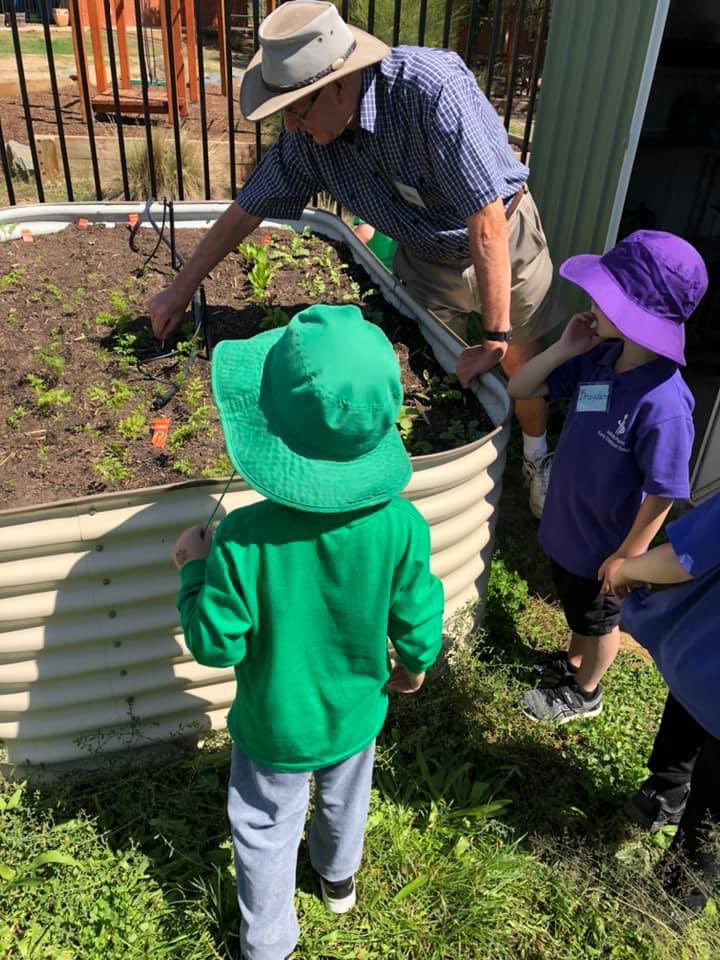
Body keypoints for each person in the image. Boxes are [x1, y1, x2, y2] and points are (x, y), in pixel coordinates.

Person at [148, 0, 559, 517]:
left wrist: (496, 336)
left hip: (503, 240)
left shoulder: (429, 91)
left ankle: (536, 452)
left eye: (296, 110)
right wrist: (181, 288)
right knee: (427, 358)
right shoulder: (310, 143)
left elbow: (487, 220)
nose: (291, 127)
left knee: (520, 358)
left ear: (340, 84)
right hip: (425, 253)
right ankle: (406, 479)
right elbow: (245, 211)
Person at [171, 303, 444, 960]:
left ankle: (265, 943)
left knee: (265, 825)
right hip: (357, 709)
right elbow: (418, 611)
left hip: (274, 726)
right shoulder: (402, 526)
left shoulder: (241, 540)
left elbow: (215, 644)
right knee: (348, 797)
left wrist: (192, 570)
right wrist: (413, 664)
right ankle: (337, 879)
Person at [507, 230, 706, 724]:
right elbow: (521, 386)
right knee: (578, 608)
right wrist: (564, 350)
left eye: (607, 294)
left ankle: (587, 692)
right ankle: (575, 664)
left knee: (599, 621)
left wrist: (630, 555)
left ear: (639, 315)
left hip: (605, 547)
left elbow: (663, 492)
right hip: (569, 528)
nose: (593, 298)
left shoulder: (664, 404)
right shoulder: (598, 359)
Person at [609, 492, 720, 917]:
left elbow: (684, 558)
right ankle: (668, 797)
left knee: (692, 712)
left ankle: (675, 899)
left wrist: (627, 569)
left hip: (709, 664)